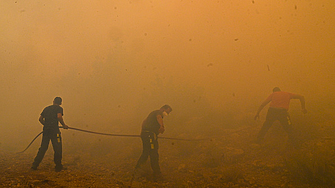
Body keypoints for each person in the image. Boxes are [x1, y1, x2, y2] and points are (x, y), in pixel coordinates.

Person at [134, 105, 172, 181]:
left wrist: (142, 132)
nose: (166, 114)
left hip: (147, 135)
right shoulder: (158, 113)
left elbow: (144, 121)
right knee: (153, 153)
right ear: (162, 109)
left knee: (147, 152)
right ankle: (156, 173)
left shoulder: (153, 114)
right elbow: (159, 118)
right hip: (149, 135)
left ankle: (137, 170)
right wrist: (162, 126)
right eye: (166, 112)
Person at [31, 97, 69, 172]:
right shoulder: (59, 108)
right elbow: (59, 117)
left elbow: (40, 119)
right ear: (61, 103)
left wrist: (46, 125)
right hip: (55, 131)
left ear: (53, 101)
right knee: (57, 147)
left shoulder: (46, 108)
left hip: (46, 130)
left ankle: (34, 165)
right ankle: (58, 167)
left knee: (43, 147)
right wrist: (64, 125)